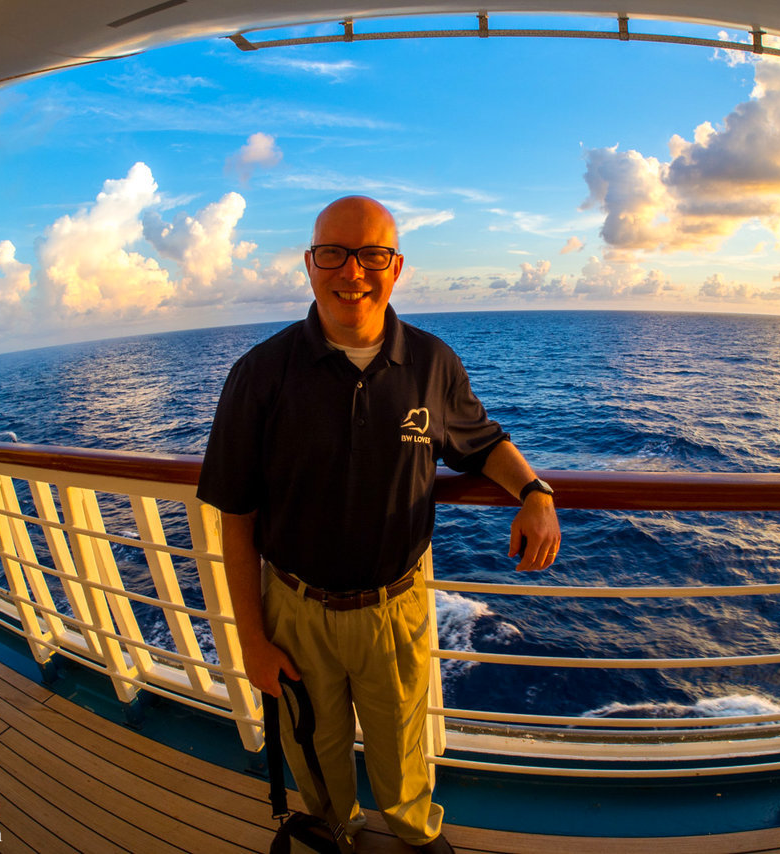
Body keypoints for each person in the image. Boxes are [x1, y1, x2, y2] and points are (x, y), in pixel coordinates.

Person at [197, 196, 560, 853]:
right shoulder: (259, 375)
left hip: (394, 609)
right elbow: (237, 517)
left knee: (402, 754)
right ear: (310, 265)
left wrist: (533, 490)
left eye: (371, 255)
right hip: (296, 610)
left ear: (397, 269)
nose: (352, 271)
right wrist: (252, 639)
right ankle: (336, 835)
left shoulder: (430, 363)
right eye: (333, 253)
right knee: (313, 750)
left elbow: (479, 443)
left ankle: (415, 838)